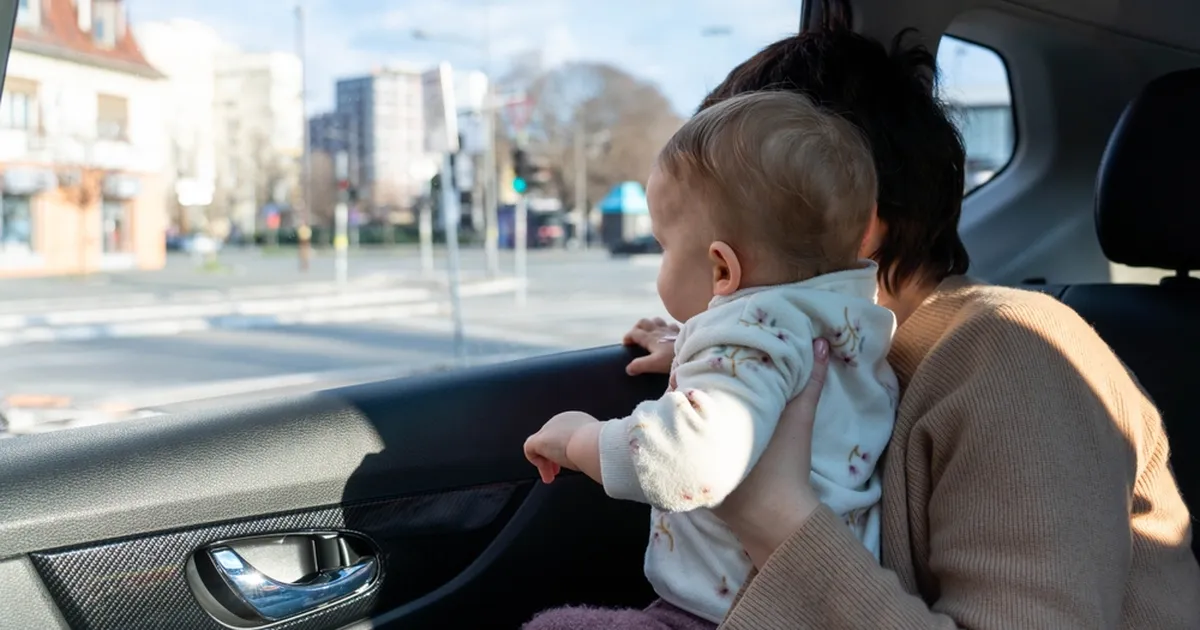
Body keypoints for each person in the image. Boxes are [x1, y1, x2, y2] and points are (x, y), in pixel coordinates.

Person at [621, 9, 1200, 630]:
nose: (715, 282)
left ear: (855, 233)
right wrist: (723, 359)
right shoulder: (839, 348)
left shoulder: (1018, 356)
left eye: (725, 238)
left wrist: (773, 516)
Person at [522, 90, 899, 629]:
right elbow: (771, 368)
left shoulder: (750, 338)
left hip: (732, 611)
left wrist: (580, 440)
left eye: (663, 246)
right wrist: (690, 350)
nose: (660, 260)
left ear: (722, 270)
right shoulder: (845, 325)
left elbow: (692, 460)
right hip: (815, 596)